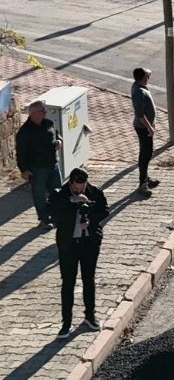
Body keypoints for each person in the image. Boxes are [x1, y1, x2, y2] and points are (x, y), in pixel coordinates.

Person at [49, 167, 109, 339]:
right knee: (68, 282)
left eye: (82, 187)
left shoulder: (94, 191)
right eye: (76, 187)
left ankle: (90, 316)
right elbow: (52, 211)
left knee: (88, 280)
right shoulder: (60, 193)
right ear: (71, 183)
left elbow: (104, 210)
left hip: (89, 244)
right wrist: (72, 200)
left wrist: (90, 219)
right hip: (68, 245)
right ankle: (66, 323)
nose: (79, 190)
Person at [16, 100, 63, 230]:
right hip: (37, 168)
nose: (45, 112)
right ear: (34, 113)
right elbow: (20, 153)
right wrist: (24, 170)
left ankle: (57, 217)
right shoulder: (25, 132)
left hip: (53, 164)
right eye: (43, 111)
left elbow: (56, 134)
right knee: (39, 195)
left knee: (57, 192)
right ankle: (44, 219)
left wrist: (59, 140)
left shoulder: (48, 123)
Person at [130, 67, 160, 197]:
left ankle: (146, 179)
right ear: (144, 78)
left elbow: (148, 71)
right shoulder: (139, 92)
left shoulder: (137, 84)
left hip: (144, 127)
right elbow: (140, 114)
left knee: (146, 153)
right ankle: (142, 185)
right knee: (145, 155)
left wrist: (146, 72)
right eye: (147, 76)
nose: (149, 77)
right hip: (143, 128)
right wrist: (149, 127)